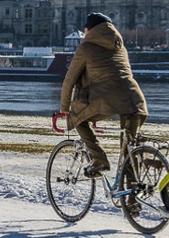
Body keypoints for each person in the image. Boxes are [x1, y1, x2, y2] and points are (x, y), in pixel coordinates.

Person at [59, 12, 148, 178]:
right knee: (128, 151)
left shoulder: (86, 47)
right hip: (135, 99)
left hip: (106, 99)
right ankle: (132, 200)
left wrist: (65, 108)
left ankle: (99, 159)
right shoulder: (120, 46)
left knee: (77, 119)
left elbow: (69, 81)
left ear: (88, 30)